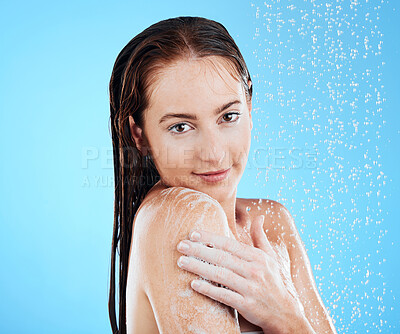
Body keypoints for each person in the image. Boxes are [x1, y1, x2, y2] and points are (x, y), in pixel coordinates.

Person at [108, 16, 337, 334]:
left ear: (250, 108)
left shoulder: (272, 220)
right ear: (140, 136)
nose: (213, 152)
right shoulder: (182, 216)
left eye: (229, 116)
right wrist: (286, 320)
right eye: (181, 126)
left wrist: (287, 316)